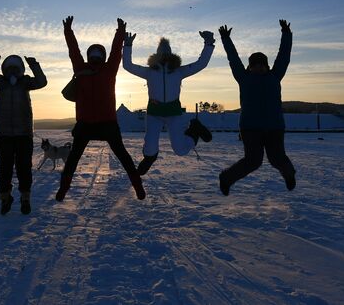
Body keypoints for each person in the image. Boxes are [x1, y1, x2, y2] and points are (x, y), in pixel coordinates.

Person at [56, 16, 145, 201]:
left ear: (102, 56)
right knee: (72, 160)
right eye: (93, 53)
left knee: (124, 157)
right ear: (90, 56)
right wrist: (68, 32)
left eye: (98, 53)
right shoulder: (81, 68)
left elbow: (115, 53)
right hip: (86, 124)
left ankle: (138, 186)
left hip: (107, 123)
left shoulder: (109, 69)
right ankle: (63, 189)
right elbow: (73, 51)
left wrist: (120, 33)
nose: (96, 56)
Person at [218, 20, 296, 195]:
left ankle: (289, 175)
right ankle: (226, 178)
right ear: (250, 66)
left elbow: (284, 56)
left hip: (275, 127)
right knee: (253, 161)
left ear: (267, 66)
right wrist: (226, 39)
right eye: (255, 64)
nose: (259, 67)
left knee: (278, 158)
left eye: (262, 64)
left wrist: (286, 34)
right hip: (250, 127)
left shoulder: (275, 76)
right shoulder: (243, 77)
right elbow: (233, 59)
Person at [122, 31, 215, 175]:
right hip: (154, 114)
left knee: (181, 150)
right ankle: (149, 158)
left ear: (171, 56)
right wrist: (127, 45)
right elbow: (128, 66)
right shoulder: (149, 72)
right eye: (161, 55)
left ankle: (194, 130)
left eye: (166, 55)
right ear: (157, 56)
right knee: (150, 148)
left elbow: (200, 64)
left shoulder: (179, 71)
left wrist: (208, 44)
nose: (164, 58)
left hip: (173, 114)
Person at [0, 54, 47, 214]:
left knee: (24, 168)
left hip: (24, 134)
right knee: (5, 169)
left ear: (21, 70)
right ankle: (5, 198)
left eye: (16, 69)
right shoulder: (0, 83)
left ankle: (25, 198)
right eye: (9, 69)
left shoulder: (26, 83)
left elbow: (42, 82)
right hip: (4, 135)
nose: (12, 72)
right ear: (4, 70)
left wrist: (34, 65)